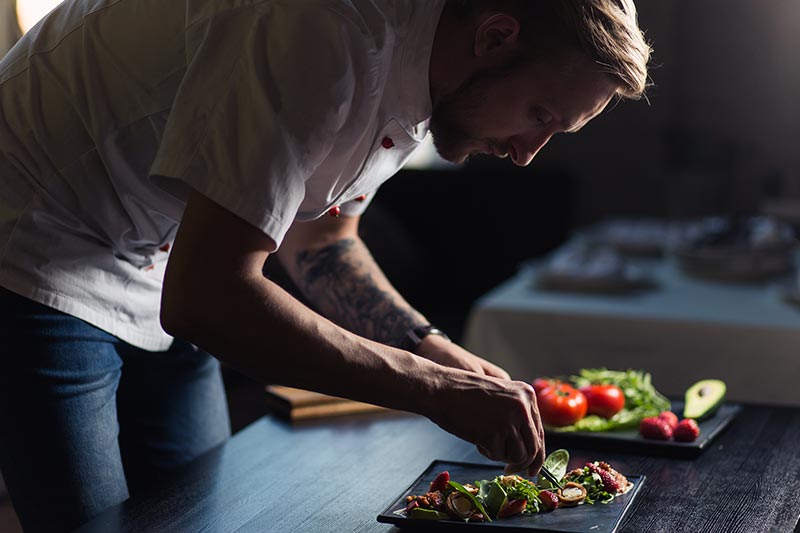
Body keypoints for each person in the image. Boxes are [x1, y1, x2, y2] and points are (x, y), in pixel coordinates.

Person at [0, 0, 650, 530]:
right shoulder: (322, 34)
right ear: (495, 36)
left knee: (195, 518)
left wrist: (436, 350)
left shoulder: (431, 66)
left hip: (167, 251)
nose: (528, 154)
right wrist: (430, 388)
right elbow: (207, 296)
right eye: (539, 116)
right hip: (36, 238)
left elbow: (321, 241)